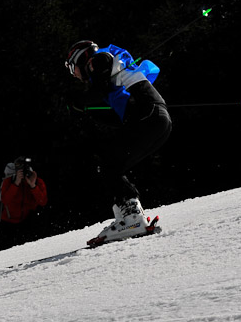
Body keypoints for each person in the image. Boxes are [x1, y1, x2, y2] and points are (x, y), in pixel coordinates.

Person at [65, 40, 172, 244]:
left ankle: (131, 218)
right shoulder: (107, 69)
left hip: (148, 114)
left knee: (108, 164)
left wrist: (76, 101)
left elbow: (97, 93)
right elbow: (117, 117)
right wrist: (86, 110)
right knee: (111, 164)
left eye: (72, 68)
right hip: (155, 119)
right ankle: (130, 215)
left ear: (81, 58)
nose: (75, 75)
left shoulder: (98, 59)